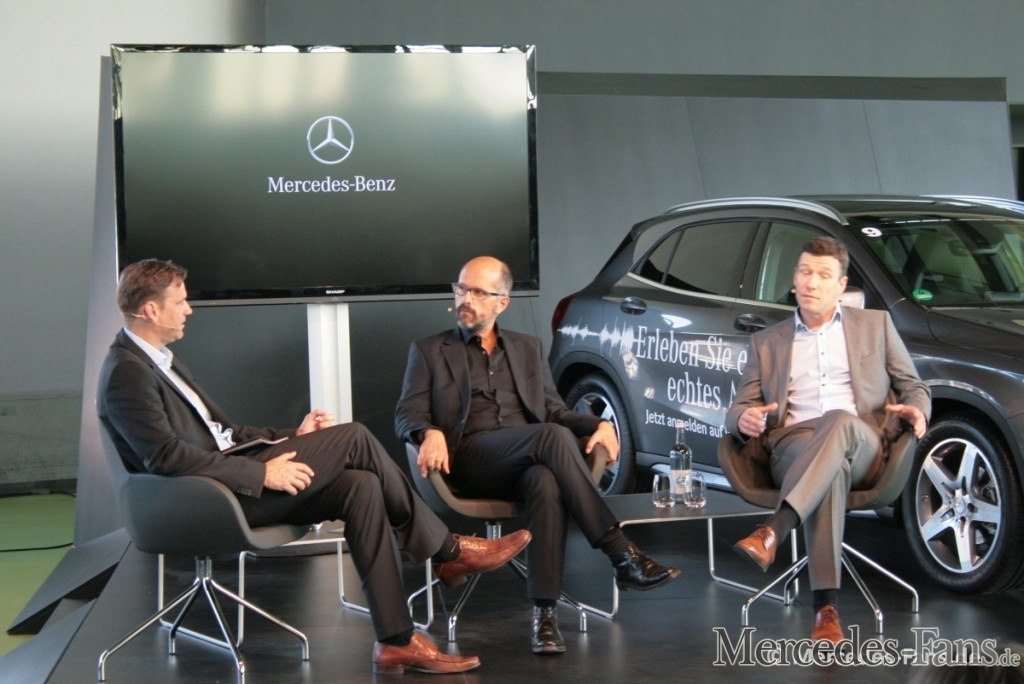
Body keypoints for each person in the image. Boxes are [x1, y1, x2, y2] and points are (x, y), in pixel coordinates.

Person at [97, 259, 532, 675]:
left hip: (227, 479)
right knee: (354, 436)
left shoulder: (160, 361)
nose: (189, 309)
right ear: (151, 310)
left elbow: (224, 434)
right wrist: (261, 474)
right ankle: (448, 551)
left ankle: (396, 640)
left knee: (361, 486)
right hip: (208, 500)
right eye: (180, 302)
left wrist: (295, 435)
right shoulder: (127, 373)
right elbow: (166, 457)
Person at [395, 256, 680, 656]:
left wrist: (599, 424)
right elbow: (406, 412)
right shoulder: (429, 350)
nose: (465, 298)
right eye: (461, 288)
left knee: (545, 482)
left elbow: (554, 410)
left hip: (526, 459)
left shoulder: (527, 348)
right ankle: (620, 552)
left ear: (502, 302)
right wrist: (428, 431)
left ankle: (545, 615)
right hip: (471, 461)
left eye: (477, 292)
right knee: (550, 438)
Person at [725, 237, 930, 644]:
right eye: (804, 272)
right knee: (829, 470)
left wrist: (918, 410)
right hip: (793, 445)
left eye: (823, 275)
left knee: (838, 422)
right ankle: (825, 610)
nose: (811, 282)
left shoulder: (875, 326)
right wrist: (742, 418)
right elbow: (738, 407)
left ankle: (776, 528)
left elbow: (915, 386)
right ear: (794, 279)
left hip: (862, 443)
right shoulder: (767, 342)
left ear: (841, 285)